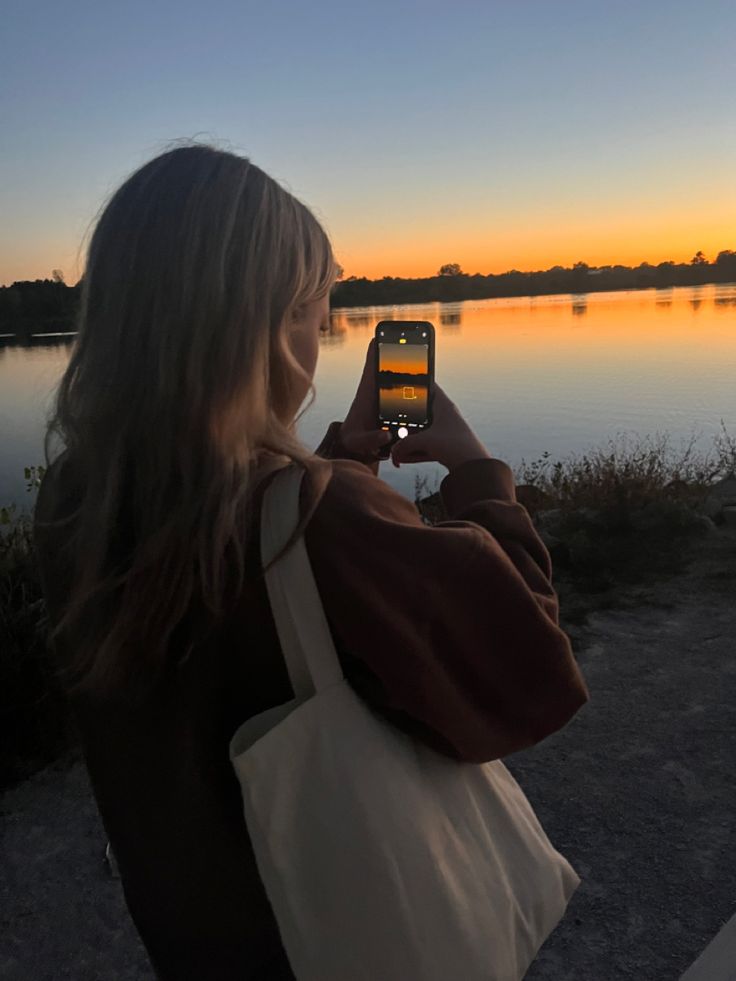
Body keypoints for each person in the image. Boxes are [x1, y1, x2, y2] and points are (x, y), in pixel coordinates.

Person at [34, 143, 589, 981]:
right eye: (311, 312)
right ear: (251, 327)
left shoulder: (80, 499)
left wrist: (344, 460)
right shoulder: (320, 519)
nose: (322, 336)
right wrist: (474, 469)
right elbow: (526, 661)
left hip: (199, 938)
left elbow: (264, 596)